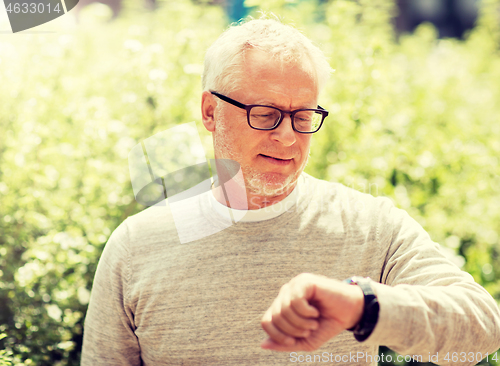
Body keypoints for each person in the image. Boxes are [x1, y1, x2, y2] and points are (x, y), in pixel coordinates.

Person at [81, 17, 500, 365]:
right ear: (211, 112)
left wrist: (362, 307)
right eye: (265, 114)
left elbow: (484, 328)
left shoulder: (370, 225)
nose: (287, 137)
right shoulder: (135, 247)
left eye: (302, 116)